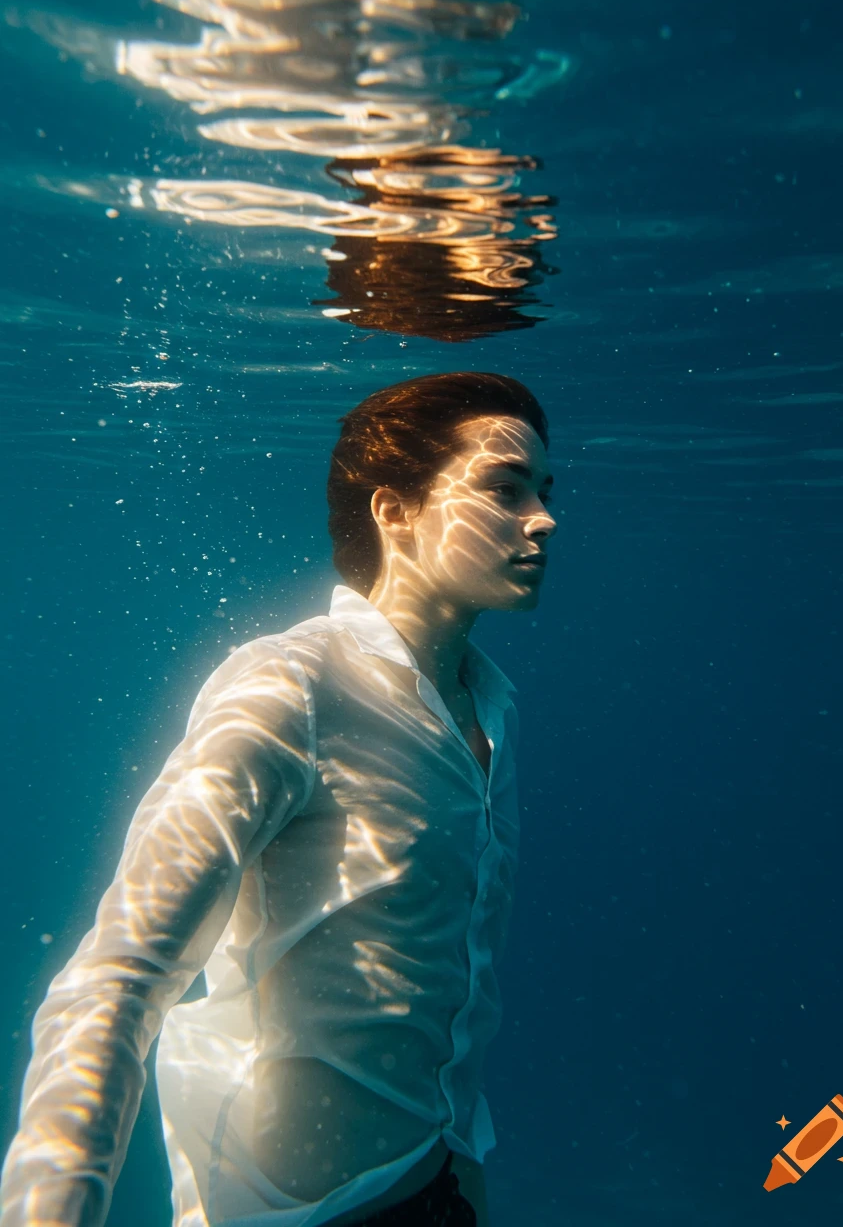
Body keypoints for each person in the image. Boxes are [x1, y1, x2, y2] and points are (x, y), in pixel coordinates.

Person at [0, 371, 557, 1227]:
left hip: (438, 1185)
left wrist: (458, 1168)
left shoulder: (493, 706)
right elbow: (116, 979)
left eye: (543, 492)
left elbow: (446, 987)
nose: (543, 518)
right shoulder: (291, 688)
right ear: (394, 513)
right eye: (503, 487)